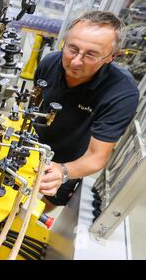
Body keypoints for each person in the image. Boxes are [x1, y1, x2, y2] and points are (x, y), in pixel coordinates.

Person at [33, 11, 140, 211]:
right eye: (72, 48)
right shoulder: (50, 62)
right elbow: (34, 101)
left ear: (112, 56)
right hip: (33, 146)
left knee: (40, 208)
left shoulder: (122, 92)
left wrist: (63, 171)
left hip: (70, 163)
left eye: (90, 54)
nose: (74, 62)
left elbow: (97, 157)